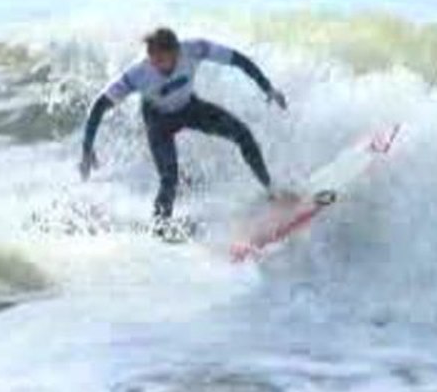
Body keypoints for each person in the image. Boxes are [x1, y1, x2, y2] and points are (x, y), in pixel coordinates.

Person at [79, 27, 288, 236]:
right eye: (153, 60)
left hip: (189, 108)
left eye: (161, 61)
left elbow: (238, 60)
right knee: (169, 178)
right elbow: (99, 105)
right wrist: (87, 149)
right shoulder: (138, 73)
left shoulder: (195, 49)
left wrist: (268, 88)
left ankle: (271, 190)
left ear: (176, 52)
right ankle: (159, 231)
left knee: (243, 135)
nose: (157, 66)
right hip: (158, 121)